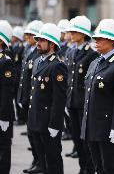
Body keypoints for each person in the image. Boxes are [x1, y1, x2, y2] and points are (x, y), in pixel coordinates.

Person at [81, 19, 114, 174]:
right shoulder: (95, 63)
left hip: (108, 127)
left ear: (111, 41)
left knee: (111, 168)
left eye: (100, 38)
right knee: (98, 168)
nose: (96, 41)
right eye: (95, 38)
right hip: (92, 127)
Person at [28, 23, 68, 174]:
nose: (38, 43)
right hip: (36, 121)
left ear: (51, 44)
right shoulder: (39, 62)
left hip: (48, 123)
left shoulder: (57, 66)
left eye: (42, 40)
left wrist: (54, 124)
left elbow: (59, 99)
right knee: (43, 162)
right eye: (37, 40)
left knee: (53, 162)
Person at [66, 15, 99, 174]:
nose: (71, 34)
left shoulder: (91, 54)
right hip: (72, 102)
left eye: (75, 31)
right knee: (76, 139)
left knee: (85, 139)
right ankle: (82, 167)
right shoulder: (71, 52)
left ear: (83, 33)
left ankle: (89, 169)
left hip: (83, 104)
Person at [17, 20, 43, 174]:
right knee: (31, 133)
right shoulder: (28, 50)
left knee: (36, 134)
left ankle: (40, 161)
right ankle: (36, 159)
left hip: (34, 99)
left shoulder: (38, 52)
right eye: (26, 34)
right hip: (26, 97)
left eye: (31, 35)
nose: (27, 37)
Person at [0, 20, 15, 174]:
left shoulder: (5, 62)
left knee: (3, 149)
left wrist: (4, 117)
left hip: (1, 114)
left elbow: (6, 92)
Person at [11, 26, 25, 126]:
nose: (11, 37)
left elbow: (18, 64)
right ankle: (19, 117)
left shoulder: (21, 47)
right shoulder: (14, 47)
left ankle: (21, 118)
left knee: (18, 98)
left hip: (18, 76)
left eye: (13, 36)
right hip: (15, 76)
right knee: (15, 98)